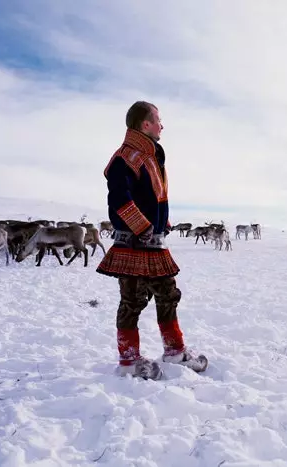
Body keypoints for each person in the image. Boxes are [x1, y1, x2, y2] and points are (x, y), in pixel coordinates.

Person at [97, 101, 207, 380]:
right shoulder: (126, 157)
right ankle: (129, 361)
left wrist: (162, 222)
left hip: (154, 243)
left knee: (168, 295)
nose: (162, 125)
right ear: (145, 124)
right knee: (132, 301)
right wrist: (144, 227)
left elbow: (151, 198)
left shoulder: (150, 157)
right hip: (134, 243)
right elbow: (119, 201)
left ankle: (175, 351)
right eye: (158, 120)